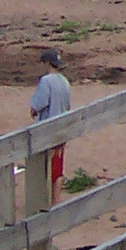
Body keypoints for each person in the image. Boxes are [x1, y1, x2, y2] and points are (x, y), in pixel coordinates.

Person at [30, 49, 72, 189]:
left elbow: (39, 103)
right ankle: (56, 199)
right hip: (62, 127)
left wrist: (33, 110)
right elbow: (68, 106)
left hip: (48, 129)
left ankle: (47, 199)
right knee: (57, 168)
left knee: (45, 168)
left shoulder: (46, 81)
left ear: (47, 63)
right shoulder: (65, 81)